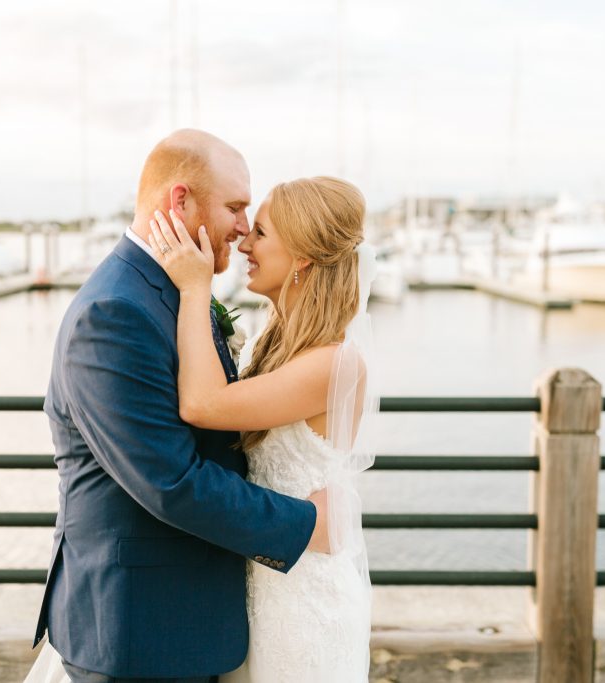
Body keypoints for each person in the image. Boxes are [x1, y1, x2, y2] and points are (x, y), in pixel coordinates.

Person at [25, 129, 333, 683]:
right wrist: (305, 523)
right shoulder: (116, 312)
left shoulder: (165, 289)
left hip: (184, 620)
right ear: (181, 200)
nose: (242, 228)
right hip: (139, 630)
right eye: (236, 207)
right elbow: (170, 482)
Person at [146, 175, 377, 682]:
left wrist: (194, 286)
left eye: (263, 234)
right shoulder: (269, 345)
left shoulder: (335, 363)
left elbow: (205, 404)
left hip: (302, 595)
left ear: (302, 257)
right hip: (258, 584)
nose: (245, 242)